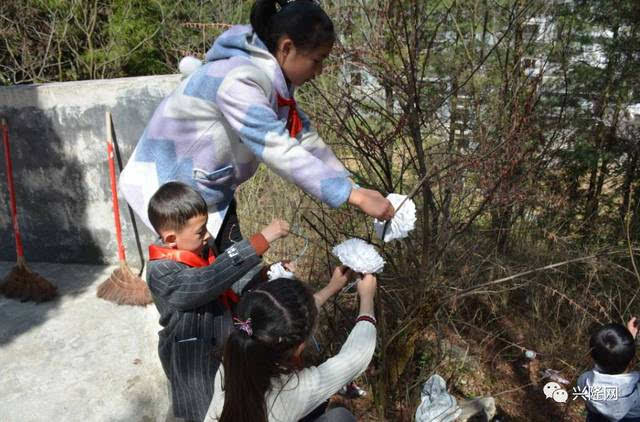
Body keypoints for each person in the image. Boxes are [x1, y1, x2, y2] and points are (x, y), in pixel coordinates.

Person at [119, 0, 394, 243]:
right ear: (287, 47)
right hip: (169, 194)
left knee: (231, 279)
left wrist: (351, 185)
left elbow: (303, 138)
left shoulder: (274, 85)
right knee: (197, 287)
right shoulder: (239, 79)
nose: (319, 71)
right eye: (317, 60)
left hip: (207, 193)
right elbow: (276, 146)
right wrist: (351, 195)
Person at [146, 181, 290, 422]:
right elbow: (205, 282)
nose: (208, 236)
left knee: (230, 407)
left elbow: (228, 283)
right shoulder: (160, 271)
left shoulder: (199, 248)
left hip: (223, 349)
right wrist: (259, 241)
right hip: (192, 362)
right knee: (204, 414)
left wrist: (264, 275)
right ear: (171, 238)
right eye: (200, 231)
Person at [205, 268, 378, 422]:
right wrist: (367, 298)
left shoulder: (233, 356)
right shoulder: (294, 390)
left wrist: (331, 287)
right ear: (300, 346)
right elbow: (357, 355)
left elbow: (282, 320)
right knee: (340, 417)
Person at [577, 317, 640, 422]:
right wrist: (628, 342)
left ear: (591, 356)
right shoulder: (635, 389)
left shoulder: (584, 380)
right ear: (631, 361)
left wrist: (626, 342)